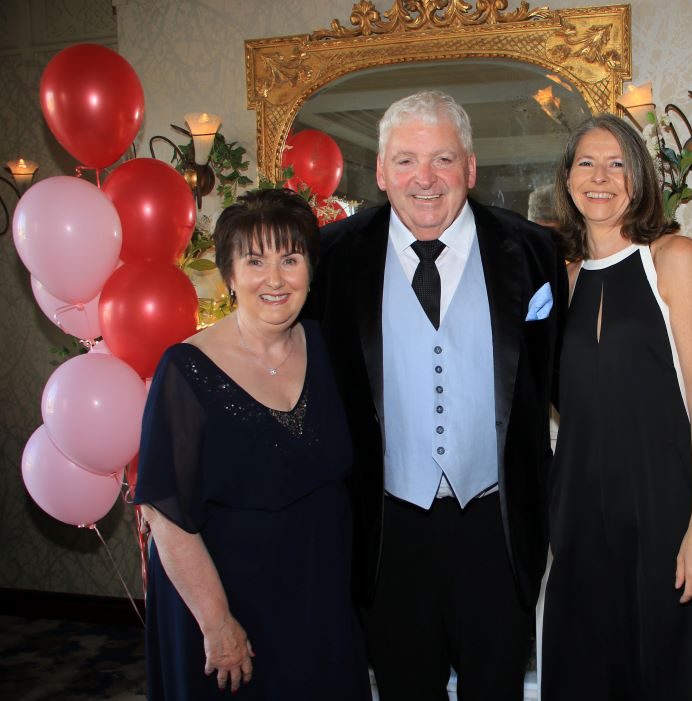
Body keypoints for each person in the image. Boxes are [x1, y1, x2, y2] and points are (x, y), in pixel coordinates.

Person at [307, 91, 567, 701]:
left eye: (443, 159)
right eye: (404, 161)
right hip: (387, 526)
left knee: (495, 688)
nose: (424, 179)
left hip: (496, 524)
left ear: (471, 169)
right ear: (380, 172)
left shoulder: (532, 251)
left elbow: (561, 377)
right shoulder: (334, 255)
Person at [135, 189, 370, 700]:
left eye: (290, 259)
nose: (275, 279)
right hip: (228, 605)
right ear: (229, 275)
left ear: (311, 268)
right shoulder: (186, 370)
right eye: (255, 261)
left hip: (317, 600)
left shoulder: (329, 348)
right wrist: (218, 624)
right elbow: (167, 517)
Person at [541, 114, 692, 700]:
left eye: (617, 163)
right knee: (583, 674)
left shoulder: (671, 258)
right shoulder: (564, 279)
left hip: (664, 512)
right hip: (579, 521)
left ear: (639, 178)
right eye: (586, 163)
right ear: (568, 179)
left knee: (664, 673)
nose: (600, 177)